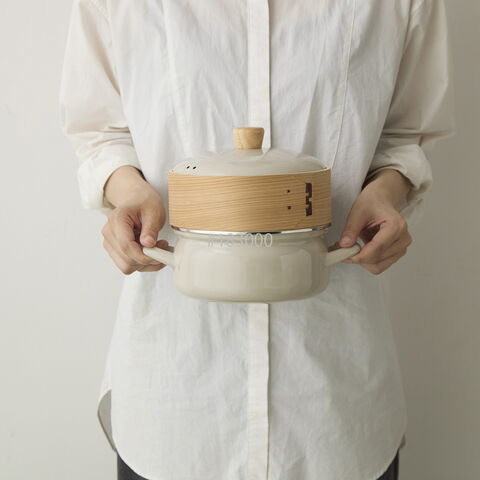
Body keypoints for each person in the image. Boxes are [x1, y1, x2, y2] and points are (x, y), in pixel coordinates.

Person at [59, 1, 454, 479]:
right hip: (175, 391)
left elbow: (406, 134)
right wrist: (127, 192)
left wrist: (387, 191)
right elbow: (100, 131)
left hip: (335, 397)